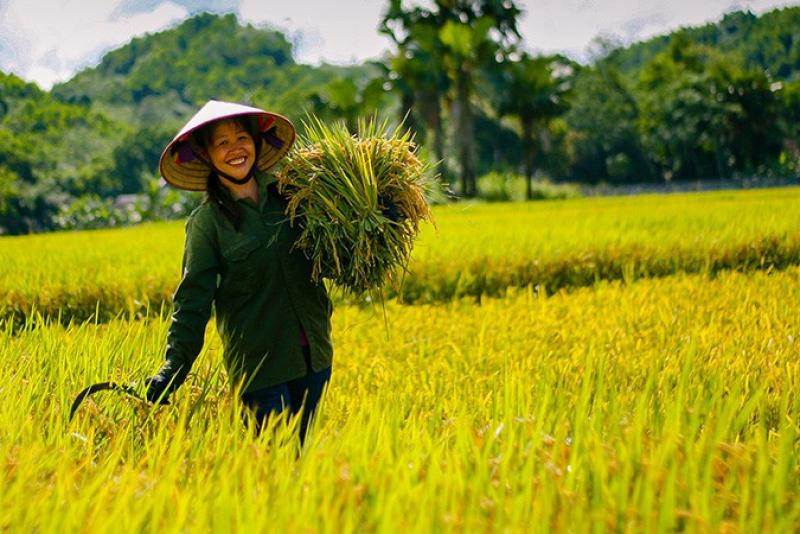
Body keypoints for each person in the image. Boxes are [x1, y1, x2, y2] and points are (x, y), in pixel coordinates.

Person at [145, 100, 334, 444]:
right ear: (206, 155)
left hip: (315, 357)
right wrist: (173, 368)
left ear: (256, 142)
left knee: (306, 463)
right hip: (261, 369)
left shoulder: (293, 196)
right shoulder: (207, 224)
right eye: (222, 142)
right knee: (276, 465)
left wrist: (381, 218)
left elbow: (334, 257)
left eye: (242, 137)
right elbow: (193, 300)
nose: (235, 149)